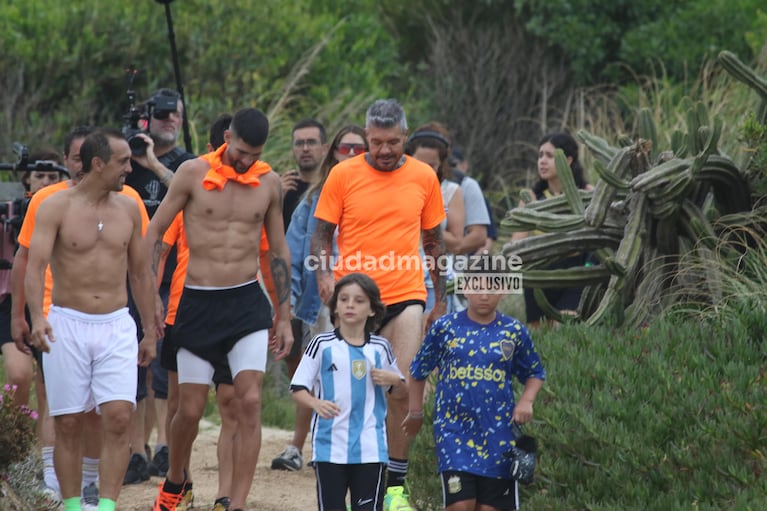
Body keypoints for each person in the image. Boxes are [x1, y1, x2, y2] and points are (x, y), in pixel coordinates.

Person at [147, 107, 293, 511]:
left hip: (246, 302)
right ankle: (175, 480)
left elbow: (278, 250)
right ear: (227, 137)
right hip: (198, 300)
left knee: (248, 400)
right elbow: (156, 233)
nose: (246, 160)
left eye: (255, 153)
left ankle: (237, 503)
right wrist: (150, 304)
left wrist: (284, 314)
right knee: (189, 410)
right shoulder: (193, 173)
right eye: (242, 151)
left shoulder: (269, 182)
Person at [312, 98, 447, 509]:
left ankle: (395, 488)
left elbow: (434, 241)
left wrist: (440, 298)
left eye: (392, 142)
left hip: (406, 294)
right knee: (352, 392)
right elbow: (321, 236)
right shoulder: (343, 174)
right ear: (366, 137)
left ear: (405, 136)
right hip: (355, 297)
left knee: (403, 388)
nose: (385, 150)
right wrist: (323, 275)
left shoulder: (424, 176)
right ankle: (348, 475)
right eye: (376, 142)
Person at [11, 126, 150, 511]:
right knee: (68, 422)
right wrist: (35, 317)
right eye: (123, 162)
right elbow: (35, 266)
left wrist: (151, 330)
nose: (129, 169)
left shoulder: (130, 206)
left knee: (119, 416)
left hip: (116, 324)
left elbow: (141, 272)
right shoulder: (54, 205)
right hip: (66, 323)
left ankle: (105, 506)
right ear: (98, 163)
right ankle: (72, 505)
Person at [404, 253, 546, 511]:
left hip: (499, 433)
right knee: (461, 504)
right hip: (453, 431)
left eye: (492, 286)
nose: (484, 293)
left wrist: (526, 401)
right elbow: (418, 371)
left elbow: (535, 372)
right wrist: (415, 413)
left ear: (503, 289)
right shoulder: (445, 328)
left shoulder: (513, 331)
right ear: (464, 287)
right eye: (477, 285)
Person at [272, 124, 368, 472]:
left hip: (371, 302)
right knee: (314, 372)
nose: (352, 156)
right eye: (346, 149)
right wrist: (289, 307)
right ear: (335, 153)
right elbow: (294, 254)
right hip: (322, 301)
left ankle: (353, 450)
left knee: (362, 377)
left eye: (360, 149)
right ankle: (298, 447)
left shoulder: (383, 193)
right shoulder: (315, 198)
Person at [125, 87, 196, 485]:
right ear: (147, 119)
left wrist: (152, 163)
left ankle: (166, 443)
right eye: (163, 113)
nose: (171, 120)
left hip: (173, 277)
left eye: (177, 115)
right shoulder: (125, 161)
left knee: (166, 365)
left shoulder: (186, 164)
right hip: (130, 273)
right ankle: (136, 450)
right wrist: (134, 158)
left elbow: (194, 199)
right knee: (135, 364)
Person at [291, 273, 405, 511]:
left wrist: (394, 379)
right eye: (343, 299)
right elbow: (298, 388)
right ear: (335, 307)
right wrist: (315, 403)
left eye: (359, 300)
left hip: (371, 447)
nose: (350, 305)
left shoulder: (380, 348)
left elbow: (401, 391)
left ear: (372, 309)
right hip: (329, 447)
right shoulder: (321, 345)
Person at [512, 132, 593, 327]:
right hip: (539, 274)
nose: (542, 161)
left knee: (565, 326)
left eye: (549, 156)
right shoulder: (531, 197)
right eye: (540, 155)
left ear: (568, 160)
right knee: (538, 331)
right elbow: (517, 242)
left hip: (576, 272)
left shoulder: (588, 193)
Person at [405, 123, 465, 315]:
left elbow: (456, 242)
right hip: (400, 275)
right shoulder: (396, 190)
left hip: (433, 279)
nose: (424, 170)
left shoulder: (450, 191)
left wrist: (427, 222)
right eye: (419, 164)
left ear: (441, 165)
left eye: (431, 165)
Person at [281, 118, 328, 229]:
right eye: (299, 143)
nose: (305, 149)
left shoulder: (332, 184)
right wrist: (276, 198)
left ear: (325, 149)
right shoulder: (283, 185)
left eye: (311, 142)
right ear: (292, 149)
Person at [451, 147, 498, 253]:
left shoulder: (472, 192)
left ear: (464, 165)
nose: (450, 170)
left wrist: (471, 265)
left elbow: (487, 241)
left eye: (454, 165)